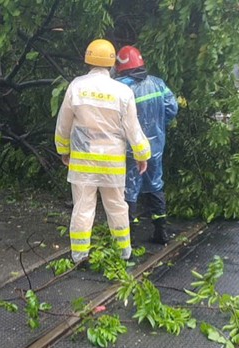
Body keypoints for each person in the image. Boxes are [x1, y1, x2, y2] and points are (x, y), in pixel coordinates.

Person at [54, 39, 151, 263]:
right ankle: (124, 253)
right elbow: (133, 129)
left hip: (82, 162)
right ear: (112, 64)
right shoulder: (122, 91)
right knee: (117, 206)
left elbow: (64, 124)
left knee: (83, 207)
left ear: (88, 59)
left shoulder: (76, 86)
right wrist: (142, 155)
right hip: (112, 163)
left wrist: (63, 150)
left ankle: (79, 256)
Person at [114, 45, 178, 244]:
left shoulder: (120, 87)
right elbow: (172, 109)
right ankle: (161, 232)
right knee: (155, 186)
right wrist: (158, 126)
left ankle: (127, 239)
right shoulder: (158, 84)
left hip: (130, 149)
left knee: (129, 190)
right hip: (156, 147)